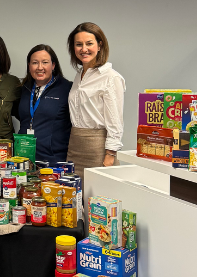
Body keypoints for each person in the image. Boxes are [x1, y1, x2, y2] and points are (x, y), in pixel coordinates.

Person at [66, 22, 126, 181]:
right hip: (74, 146)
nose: (83, 49)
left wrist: (110, 154)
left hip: (98, 148)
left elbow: (115, 121)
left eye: (89, 43)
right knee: (74, 200)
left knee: (99, 200)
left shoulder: (110, 77)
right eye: (78, 44)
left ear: (100, 45)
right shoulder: (79, 76)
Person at [17, 44, 72, 165]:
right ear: (29, 66)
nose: (40, 67)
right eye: (35, 63)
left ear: (53, 65)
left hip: (53, 160)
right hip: (24, 158)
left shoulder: (67, 89)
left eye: (45, 62)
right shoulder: (24, 88)